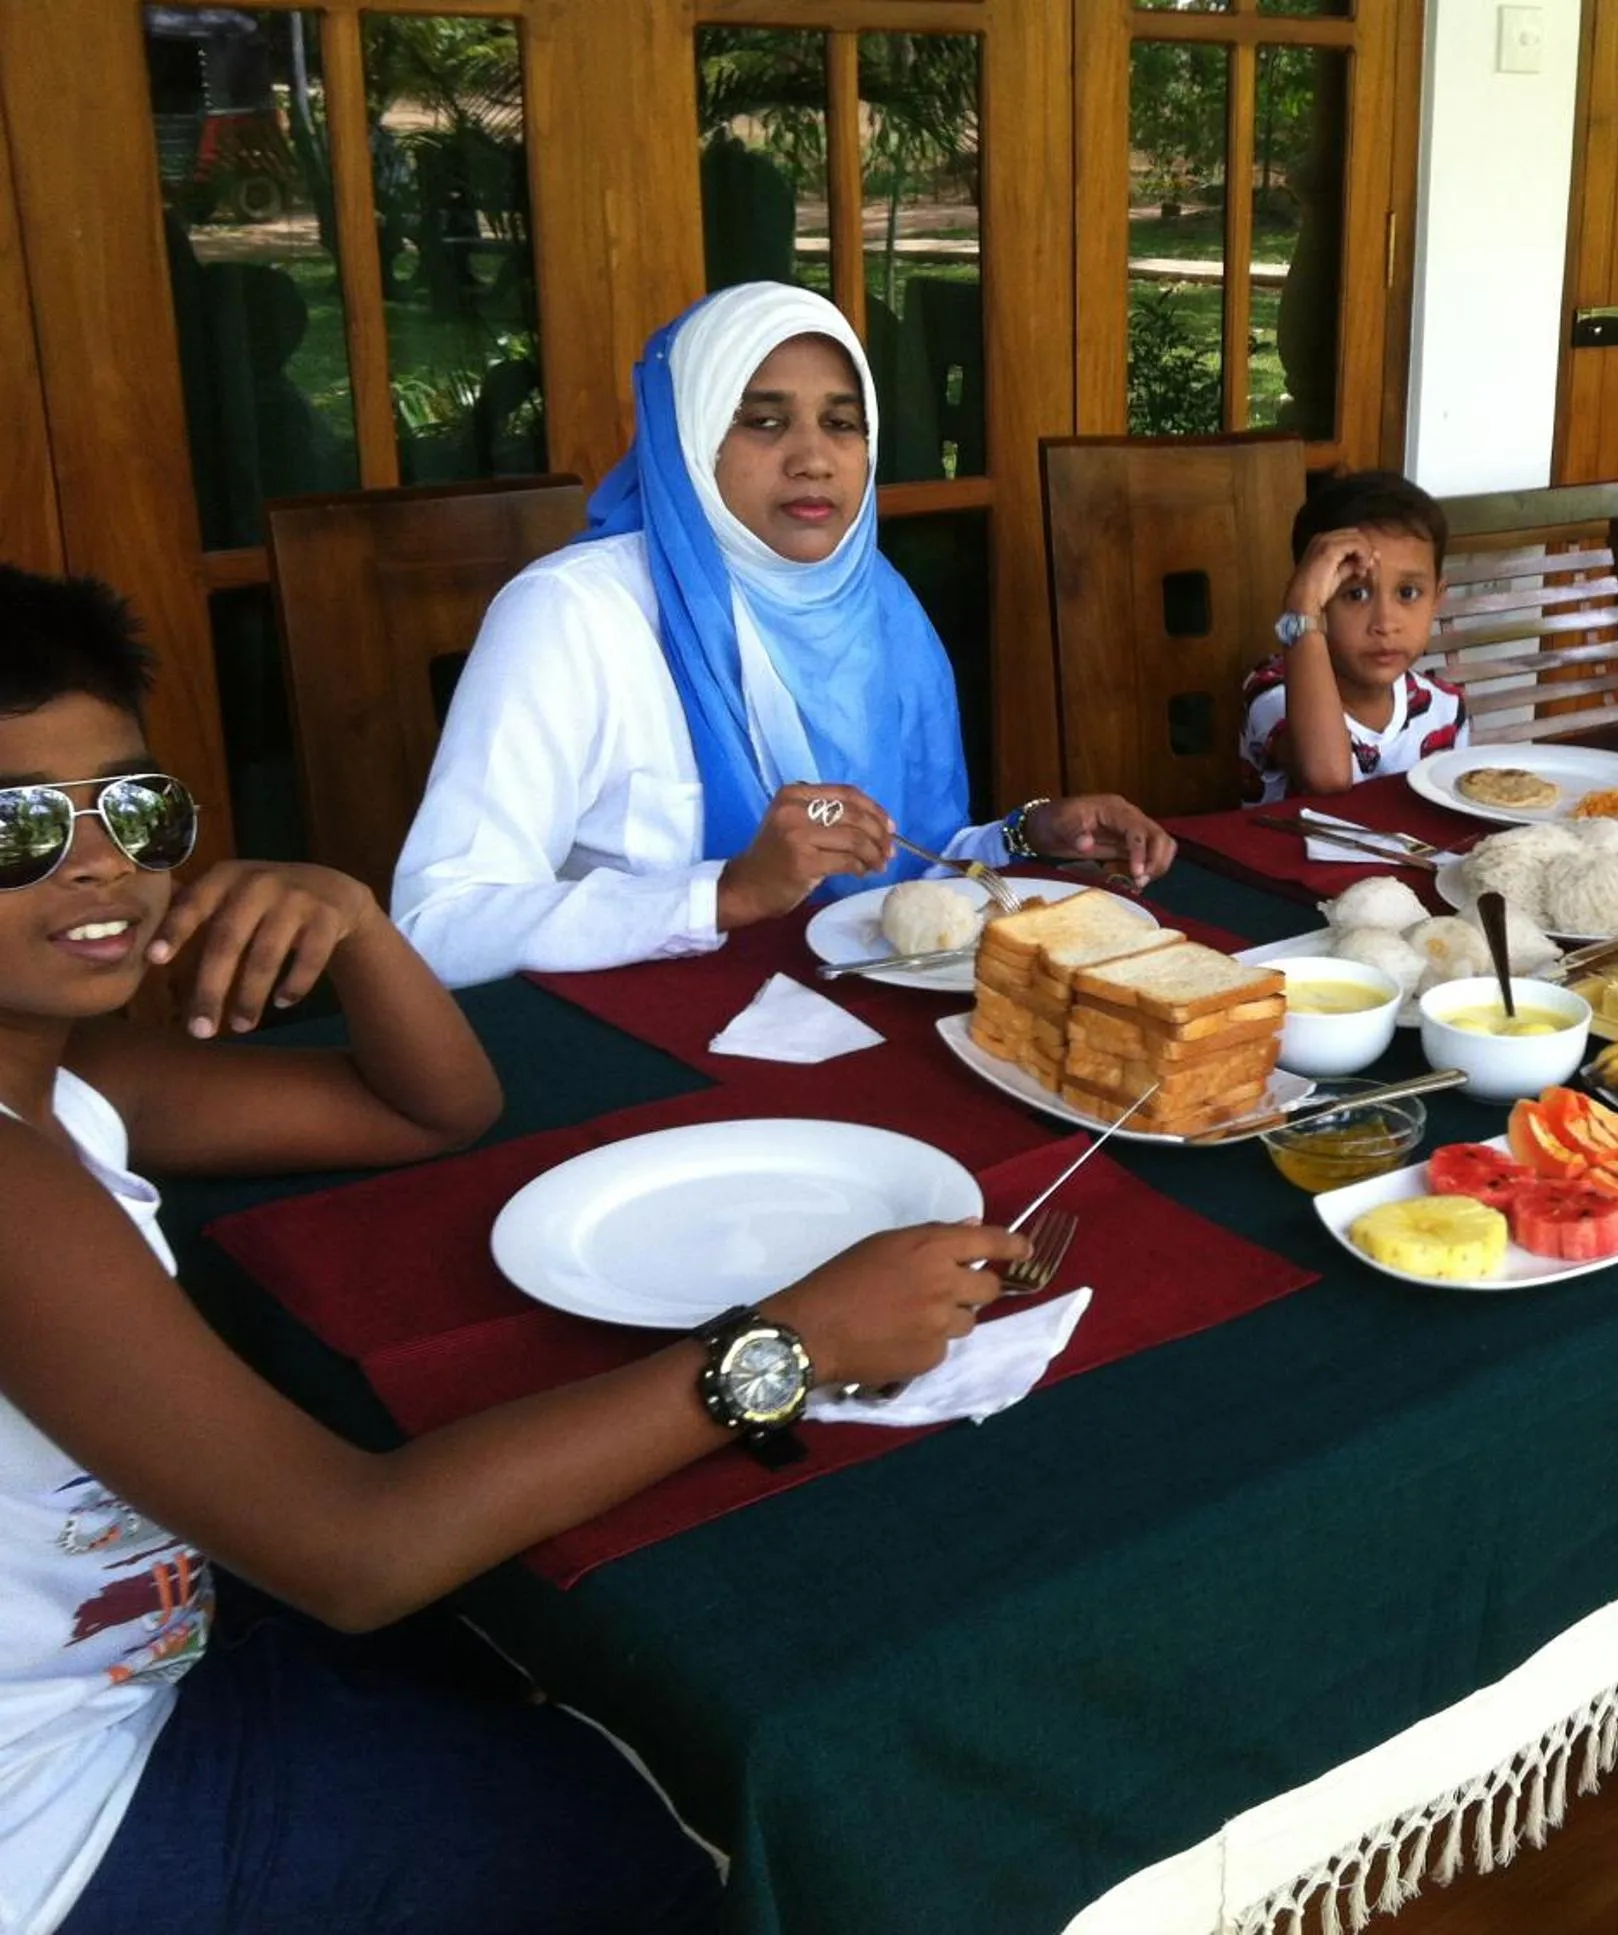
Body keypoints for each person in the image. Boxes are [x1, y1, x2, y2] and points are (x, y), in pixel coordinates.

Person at [0, 567, 1031, 1930]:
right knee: (697, 1837)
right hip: (70, 1819)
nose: (98, 862)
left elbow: (429, 1109)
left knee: (544, 1669)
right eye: (15, 825)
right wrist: (791, 1344)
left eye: (133, 808)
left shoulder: (73, 1077)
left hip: (142, 1653)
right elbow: (356, 1551)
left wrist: (356, 921)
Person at [392, 282, 1175, 988]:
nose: (813, 459)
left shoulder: (881, 607)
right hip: (643, 1053)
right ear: (690, 436)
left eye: (842, 423)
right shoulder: (573, 615)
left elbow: (902, 868)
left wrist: (1026, 835)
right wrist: (724, 893)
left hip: (857, 1024)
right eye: (763, 422)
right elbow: (437, 925)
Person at [1240, 469, 1467, 803]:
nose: (1385, 623)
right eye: (1355, 594)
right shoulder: (1272, 691)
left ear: (1436, 598)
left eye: (1408, 593)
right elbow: (1326, 775)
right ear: (1318, 601)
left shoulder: (1446, 708)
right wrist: (1301, 607)